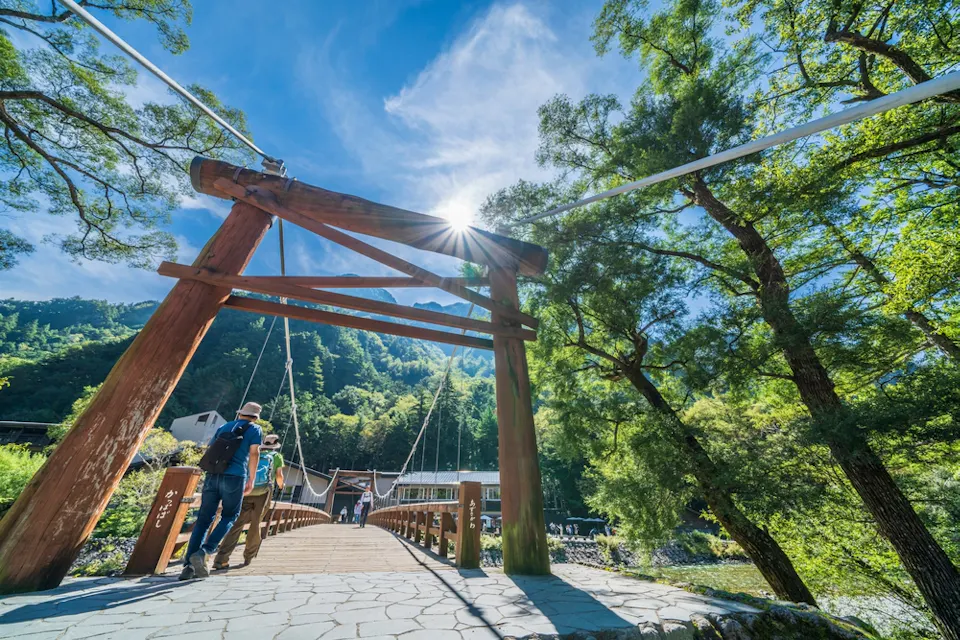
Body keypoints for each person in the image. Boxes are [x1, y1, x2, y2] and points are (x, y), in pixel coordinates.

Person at [180, 402, 263, 581]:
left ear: (240, 413)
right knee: (230, 516)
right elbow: (254, 453)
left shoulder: (224, 426)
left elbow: (212, 448)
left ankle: (188, 566)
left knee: (203, 519)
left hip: (213, 475)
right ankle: (205, 552)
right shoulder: (255, 429)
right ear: (256, 417)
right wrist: (252, 479)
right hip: (235, 477)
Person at [211, 433, 284, 570]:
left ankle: (221, 560)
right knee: (255, 524)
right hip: (263, 492)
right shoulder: (276, 457)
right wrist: (281, 486)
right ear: (276, 445)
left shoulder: (252, 454)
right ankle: (248, 556)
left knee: (236, 524)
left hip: (246, 490)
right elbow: (279, 477)